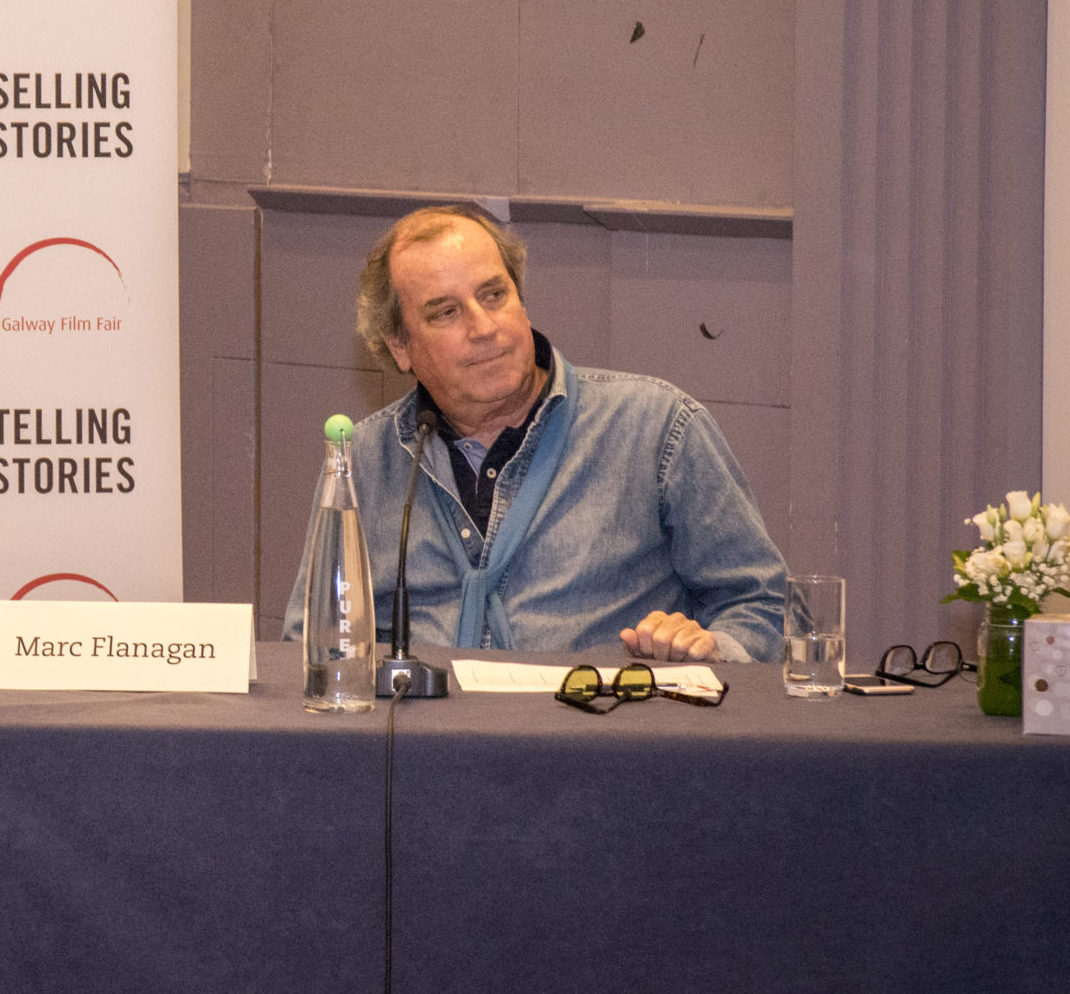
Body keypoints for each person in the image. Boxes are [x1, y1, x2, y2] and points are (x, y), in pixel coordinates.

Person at [289, 203, 783, 663]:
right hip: (418, 745)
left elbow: (768, 609)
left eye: (494, 295)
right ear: (400, 347)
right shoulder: (366, 458)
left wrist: (712, 647)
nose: (484, 327)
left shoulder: (656, 428)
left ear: (522, 302)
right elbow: (313, 640)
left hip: (601, 738)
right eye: (446, 312)